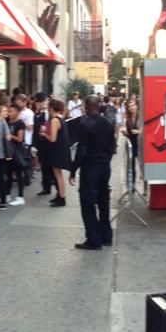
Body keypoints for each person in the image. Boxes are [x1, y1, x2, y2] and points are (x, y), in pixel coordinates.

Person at [73, 97, 117, 250]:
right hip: (104, 166)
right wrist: (106, 161)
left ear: (86, 107)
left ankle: (93, 238)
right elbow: (112, 147)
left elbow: (82, 150)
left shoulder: (85, 124)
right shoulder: (108, 124)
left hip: (90, 167)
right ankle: (106, 236)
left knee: (88, 202)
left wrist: (74, 169)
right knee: (103, 200)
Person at [43, 99, 71, 206]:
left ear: (51, 108)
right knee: (58, 175)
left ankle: (62, 198)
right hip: (61, 149)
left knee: (58, 175)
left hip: (57, 150)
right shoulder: (61, 117)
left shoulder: (54, 120)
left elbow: (53, 139)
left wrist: (45, 134)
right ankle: (60, 196)